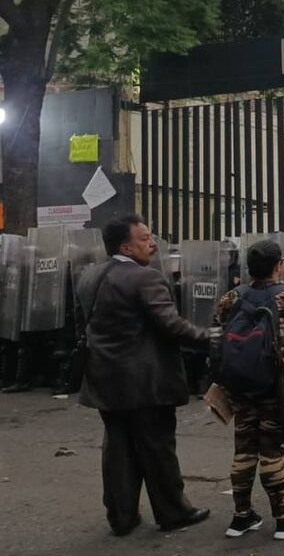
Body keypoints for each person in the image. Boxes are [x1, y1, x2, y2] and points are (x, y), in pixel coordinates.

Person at [75, 214, 210, 536]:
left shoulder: (89, 275)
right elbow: (172, 325)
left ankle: (121, 517)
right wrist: (211, 338)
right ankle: (174, 512)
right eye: (145, 238)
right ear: (125, 245)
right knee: (157, 447)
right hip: (146, 381)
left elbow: (85, 327)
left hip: (104, 378)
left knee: (118, 448)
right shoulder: (144, 277)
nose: (152, 243)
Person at [213, 240, 284, 541]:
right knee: (272, 450)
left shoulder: (230, 298)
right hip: (277, 385)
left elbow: (219, 335)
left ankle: (241, 516)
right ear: (279, 266)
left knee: (244, 448)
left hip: (240, 385)